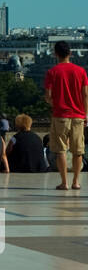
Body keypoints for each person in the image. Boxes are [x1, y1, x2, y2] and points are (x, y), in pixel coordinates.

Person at [44, 41, 88, 190]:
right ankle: (76, 182)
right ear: (70, 53)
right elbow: (85, 95)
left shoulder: (52, 72)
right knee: (78, 150)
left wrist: (55, 104)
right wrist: (85, 114)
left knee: (61, 150)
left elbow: (48, 96)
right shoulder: (81, 71)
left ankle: (64, 182)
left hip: (60, 115)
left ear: (56, 54)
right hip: (78, 115)